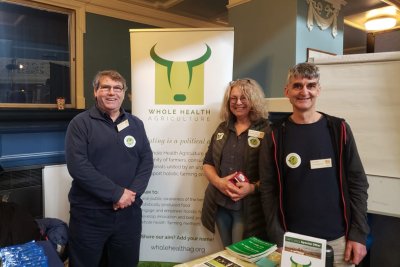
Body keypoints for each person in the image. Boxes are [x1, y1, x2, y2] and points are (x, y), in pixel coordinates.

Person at [259, 62, 369, 266]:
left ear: (318, 90)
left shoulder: (339, 129)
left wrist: (358, 234)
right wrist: (277, 236)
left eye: (310, 85)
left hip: (339, 242)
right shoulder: (274, 135)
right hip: (294, 241)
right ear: (287, 91)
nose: (304, 91)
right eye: (297, 85)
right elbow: (268, 189)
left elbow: (358, 184)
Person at [65, 70, 153, 267]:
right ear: (95, 91)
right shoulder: (80, 124)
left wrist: (130, 195)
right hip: (89, 215)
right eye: (105, 87)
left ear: (124, 93)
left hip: (128, 214)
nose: (112, 93)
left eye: (117, 88)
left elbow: (146, 161)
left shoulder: (136, 124)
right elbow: (78, 166)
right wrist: (116, 194)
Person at [201, 78, 270, 247]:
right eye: (233, 98)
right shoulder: (222, 128)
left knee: (241, 253)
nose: (238, 102)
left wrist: (252, 188)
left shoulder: (267, 130)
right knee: (227, 250)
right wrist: (219, 182)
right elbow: (208, 162)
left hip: (246, 208)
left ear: (253, 100)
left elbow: (273, 174)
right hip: (220, 204)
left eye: (244, 97)